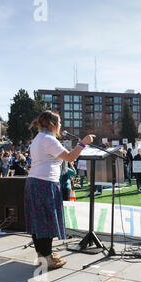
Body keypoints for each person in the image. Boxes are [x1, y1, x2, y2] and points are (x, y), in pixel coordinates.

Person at [24, 110, 95, 270]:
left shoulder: (38, 138)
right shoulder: (49, 139)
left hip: (35, 182)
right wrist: (83, 143)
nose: (61, 125)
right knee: (46, 221)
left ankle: (44, 255)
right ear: (52, 124)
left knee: (39, 221)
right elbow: (70, 157)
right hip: (45, 183)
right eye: (59, 122)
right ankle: (47, 258)